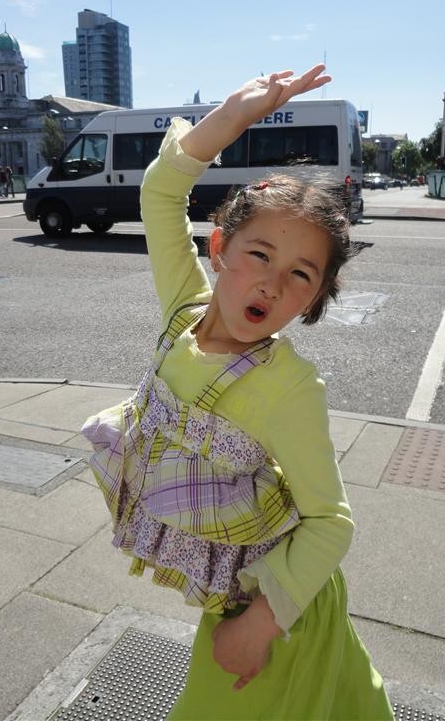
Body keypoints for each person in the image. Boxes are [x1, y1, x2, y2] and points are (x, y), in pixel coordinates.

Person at [82, 64, 393, 720]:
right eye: (259, 255)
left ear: (313, 299)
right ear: (220, 247)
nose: (272, 284)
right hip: (241, 606)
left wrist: (260, 625)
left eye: (300, 275)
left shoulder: (289, 386)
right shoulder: (185, 310)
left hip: (275, 611)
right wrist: (231, 117)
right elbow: (162, 192)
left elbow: (330, 523)